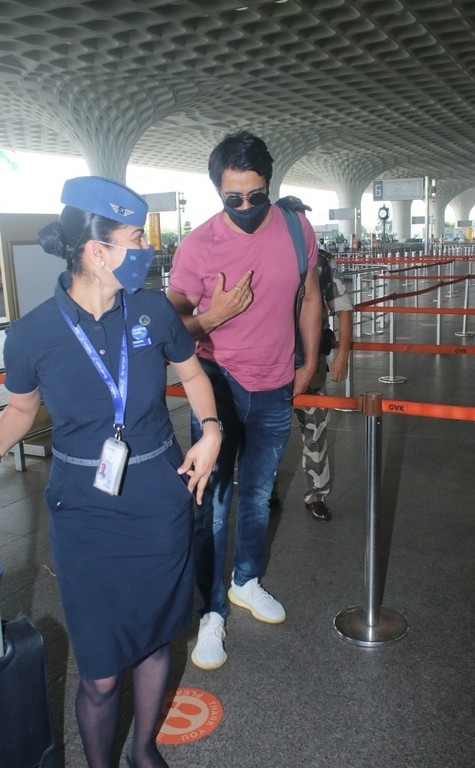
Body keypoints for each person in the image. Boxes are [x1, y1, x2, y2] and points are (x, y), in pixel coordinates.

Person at [0, 176, 222, 768]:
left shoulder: (152, 310)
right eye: (134, 238)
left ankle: (143, 749)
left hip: (159, 498)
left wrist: (212, 430)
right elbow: (20, 412)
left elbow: (194, 376)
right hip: (86, 510)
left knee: (154, 642)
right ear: (97, 249)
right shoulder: (31, 334)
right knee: (99, 672)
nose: (147, 250)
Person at [167, 130, 322, 671]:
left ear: (269, 183)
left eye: (257, 194)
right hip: (219, 383)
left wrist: (308, 362)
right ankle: (211, 612)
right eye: (235, 198)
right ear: (218, 191)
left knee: (257, 496)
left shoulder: (298, 228)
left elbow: (310, 295)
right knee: (214, 503)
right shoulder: (198, 245)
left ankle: (245, 581)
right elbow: (173, 324)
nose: (248, 206)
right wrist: (214, 316)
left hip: (276, 383)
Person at [275, 196, 353, 521]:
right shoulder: (262, 256)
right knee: (267, 437)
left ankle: (316, 495)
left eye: (303, 219)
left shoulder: (320, 263)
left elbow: (344, 309)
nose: (300, 225)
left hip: (311, 367)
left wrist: (342, 355)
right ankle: (265, 491)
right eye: (293, 219)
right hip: (269, 366)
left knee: (315, 433)